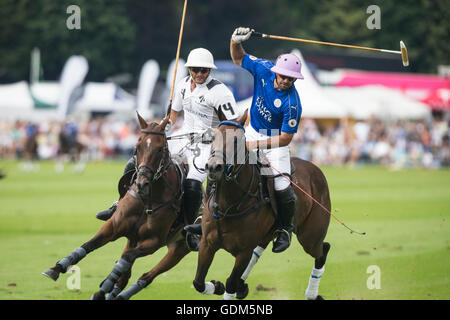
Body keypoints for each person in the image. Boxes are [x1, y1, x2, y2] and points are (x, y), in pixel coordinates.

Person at [95, 48, 240, 251]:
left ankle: (191, 227)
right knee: (139, 161)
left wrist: (215, 132)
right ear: (189, 69)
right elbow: (173, 116)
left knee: (192, 182)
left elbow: (233, 124)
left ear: (210, 71)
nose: (199, 74)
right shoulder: (182, 86)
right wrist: (165, 127)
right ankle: (119, 204)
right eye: (196, 70)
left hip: (206, 143)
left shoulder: (220, 92)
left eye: (204, 71)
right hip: (182, 135)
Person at [230, 27, 303, 253]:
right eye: (283, 76)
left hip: (274, 141)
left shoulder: (292, 104)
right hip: (252, 128)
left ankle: (284, 229)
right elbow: (238, 57)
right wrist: (234, 40)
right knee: (225, 164)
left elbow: (285, 139)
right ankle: (209, 212)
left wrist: (255, 145)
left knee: (282, 185)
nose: (286, 81)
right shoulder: (263, 69)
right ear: (276, 71)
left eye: (291, 79)